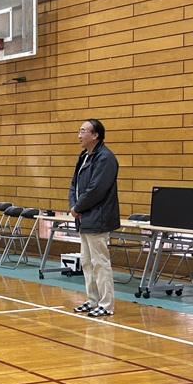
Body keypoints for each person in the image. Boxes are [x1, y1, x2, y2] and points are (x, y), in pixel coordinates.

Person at [69, 118, 120, 317]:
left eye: (83, 131)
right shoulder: (84, 156)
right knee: (87, 262)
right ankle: (93, 300)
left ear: (95, 135)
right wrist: (73, 206)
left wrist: (79, 206)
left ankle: (106, 304)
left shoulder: (105, 158)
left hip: (98, 217)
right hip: (83, 217)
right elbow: (74, 185)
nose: (79, 135)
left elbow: (96, 189)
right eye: (79, 131)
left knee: (100, 262)